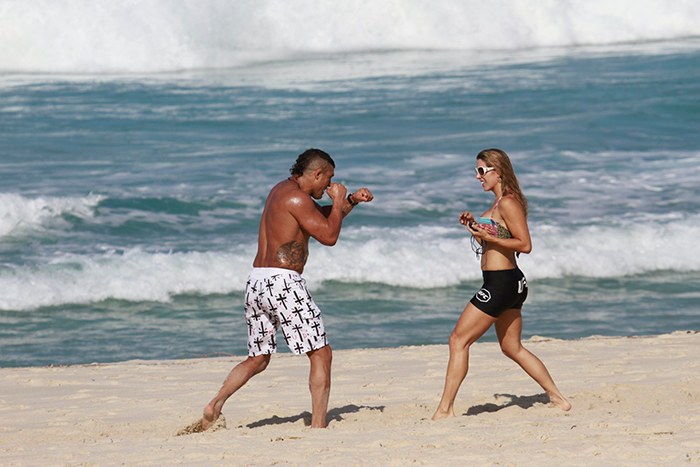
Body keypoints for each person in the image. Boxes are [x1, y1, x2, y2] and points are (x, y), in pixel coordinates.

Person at [201, 148, 373, 430]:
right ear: (317, 173)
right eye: (328, 178)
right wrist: (340, 197)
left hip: (257, 280)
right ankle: (318, 426)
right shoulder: (298, 198)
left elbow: (321, 218)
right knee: (321, 353)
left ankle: (215, 404)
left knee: (257, 358)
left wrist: (351, 201)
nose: (329, 185)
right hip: (283, 283)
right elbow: (329, 235)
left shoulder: (282, 191)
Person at [432, 148, 570, 420]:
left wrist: (490, 238)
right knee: (511, 348)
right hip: (508, 283)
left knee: (458, 340)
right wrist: (474, 227)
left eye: (482, 171)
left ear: (498, 171)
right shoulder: (494, 207)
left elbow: (525, 245)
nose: (477, 176)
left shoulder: (508, 203)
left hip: (502, 283)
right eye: (476, 171)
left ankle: (445, 409)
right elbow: (495, 241)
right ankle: (558, 398)